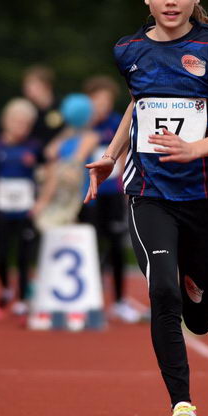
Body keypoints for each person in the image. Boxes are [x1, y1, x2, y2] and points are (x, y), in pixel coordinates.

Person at [85, 0, 208, 416]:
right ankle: (182, 408)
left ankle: (200, 286)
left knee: (199, 317)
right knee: (162, 292)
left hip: (202, 197)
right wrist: (112, 155)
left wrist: (194, 148)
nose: (170, 1)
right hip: (148, 191)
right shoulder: (129, 50)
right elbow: (138, 106)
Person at [81, 75, 141, 323]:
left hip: (113, 193)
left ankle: (118, 300)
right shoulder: (81, 124)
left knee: (116, 245)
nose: (102, 105)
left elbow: (127, 149)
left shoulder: (118, 122)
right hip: (89, 196)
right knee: (91, 247)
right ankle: (90, 300)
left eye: (106, 100)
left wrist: (126, 184)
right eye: (98, 100)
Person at [0, 98, 41, 321]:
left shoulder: (34, 147)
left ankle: (22, 299)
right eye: (16, 121)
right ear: (7, 121)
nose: (20, 126)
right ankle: (5, 288)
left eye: (25, 122)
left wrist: (41, 202)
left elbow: (49, 173)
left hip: (25, 211)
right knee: (0, 255)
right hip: (2, 209)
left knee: (23, 257)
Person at [32, 93, 100, 232]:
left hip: (78, 193)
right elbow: (51, 153)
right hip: (67, 193)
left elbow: (73, 159)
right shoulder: (73, 137)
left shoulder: (85, 137)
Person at [22, 65, 63, 151]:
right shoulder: (27, 111)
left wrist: (58, 142)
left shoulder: (63, 105)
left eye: (32, 84)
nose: (27, 89)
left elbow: (75, 128)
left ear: (47, 86)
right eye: (26, 85)